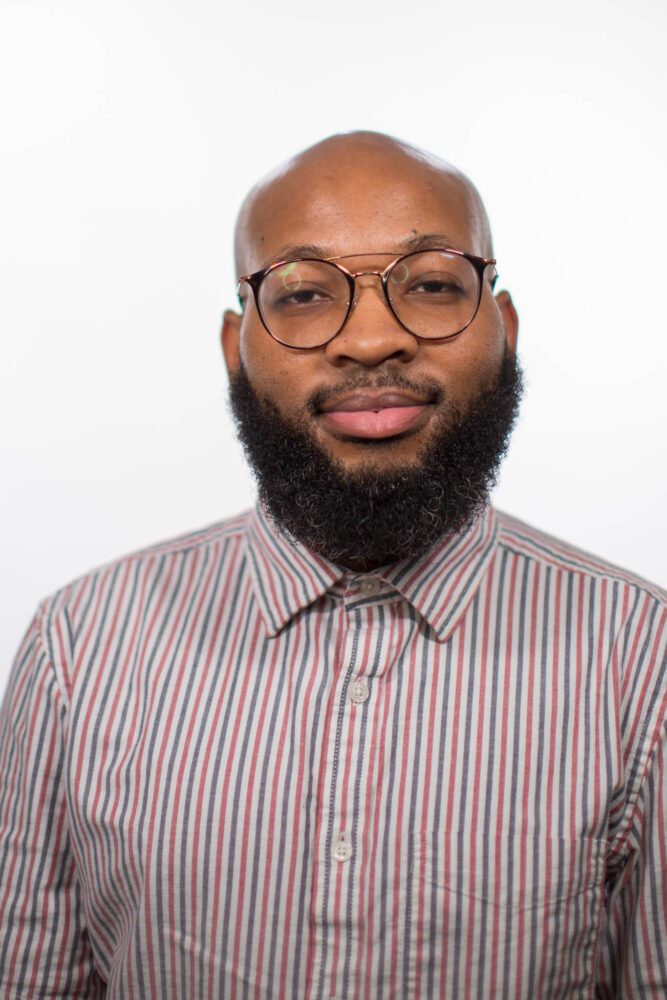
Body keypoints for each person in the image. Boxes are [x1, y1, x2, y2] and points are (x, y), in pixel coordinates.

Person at [0, 131, 665, 999]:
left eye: (429, 284)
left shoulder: (641, 659)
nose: (371, 341)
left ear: (502, 329)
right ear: (236, 346)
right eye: (307, 293)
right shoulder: (78, 651)